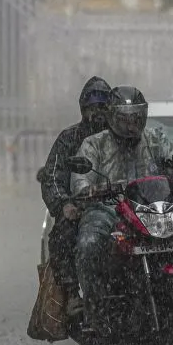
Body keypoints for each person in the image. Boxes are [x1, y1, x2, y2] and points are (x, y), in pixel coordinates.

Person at [70, 85, 173, 338]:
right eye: (124, 118)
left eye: (136, 118)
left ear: (144, 116)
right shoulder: (94, 144)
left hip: (149, 210)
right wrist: (89, 189)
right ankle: (95, 307)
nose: (130, 125)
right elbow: (81, 181)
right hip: (108, 210)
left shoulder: (155, 138)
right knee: (89, 242)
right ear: (112, 117)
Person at [38, 76, 112, 314]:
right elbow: (52, 177)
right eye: (92, 108)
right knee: (61, 237)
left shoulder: (126, 138)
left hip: (124, 208)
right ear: (83, 109)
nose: (97, 113)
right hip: (83, 210)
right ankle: (71, 295)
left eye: (103, 107)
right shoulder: (69, 139)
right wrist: (64, 205)